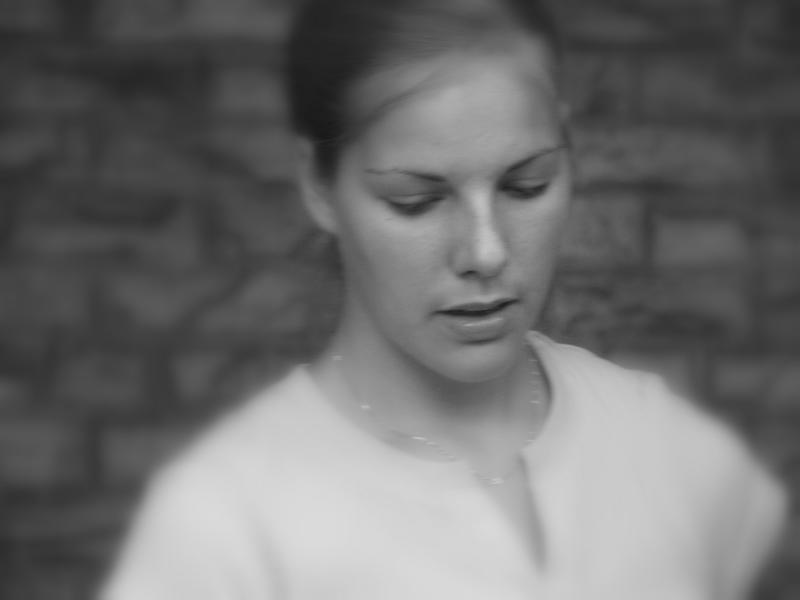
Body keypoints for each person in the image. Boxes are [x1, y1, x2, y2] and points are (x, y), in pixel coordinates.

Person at [100, 0, 788, 598]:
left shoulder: (663, 445)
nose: (485, 252)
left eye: (527, 185)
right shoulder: (226, 526)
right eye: (417, 201)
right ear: (318, 184)